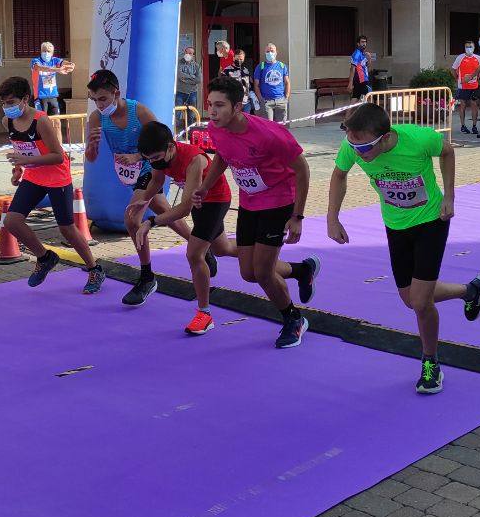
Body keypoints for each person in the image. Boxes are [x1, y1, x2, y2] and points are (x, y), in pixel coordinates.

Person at [326, 103, 480, 394]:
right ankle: (470, 290)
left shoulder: (418, 139)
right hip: (395, 225)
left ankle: (431, 363)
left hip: (430, 221)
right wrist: (332, 217)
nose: (358, 152)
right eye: (353, 145)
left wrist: (449, 196)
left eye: (364, 147)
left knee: (421, 303)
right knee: (410, 299)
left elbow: (448, 151)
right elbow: (339, 175)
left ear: (386, 137)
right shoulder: (353, 144)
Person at [194, 76, 321, 349]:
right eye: (209, 105)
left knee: (263, 273)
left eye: (219, 105)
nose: (212, 112)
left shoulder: (269, 133)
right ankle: (302, 270)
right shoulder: (216, 128)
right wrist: (205, 187)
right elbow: (223, 157)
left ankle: (294, 319)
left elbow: (302, 169)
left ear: (238, 107)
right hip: (249, 202)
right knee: (249, 273)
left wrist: (297, 217)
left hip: (279, 201)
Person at [84, 69, 196, 305]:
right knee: (163, 208)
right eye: (94, 100)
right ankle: (199, 245)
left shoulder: (139, 112)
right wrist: (92, 149)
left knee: (132, 218)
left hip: (150, 167)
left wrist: (138, 156)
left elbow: (165, 142)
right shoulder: (96, 118)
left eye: (103, 99)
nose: (99, 105)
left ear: (116, 93)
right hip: (128, 172)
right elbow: (91, 157)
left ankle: (146, 277)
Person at [132, 121, 238, 335]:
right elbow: (156, 182)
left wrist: (150, 222)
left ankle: (204, 313)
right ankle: (269, 255)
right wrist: (142, 200)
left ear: (171, 146)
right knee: (222, 249)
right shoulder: (160, 157)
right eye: (149, 159)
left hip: (215, 201)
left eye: (156, 158)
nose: (154, 162)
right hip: (200, 202)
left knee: (194, 254)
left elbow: (183, 209)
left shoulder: (194, 160)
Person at [0, 77, 102, 293]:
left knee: (67, 229)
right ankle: (45, 257)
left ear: (25, 99)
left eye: (11, 102)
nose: (7, 107)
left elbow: (58, 156)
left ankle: (94, 268)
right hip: (34, 177)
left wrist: (26, 161)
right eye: (4, 103)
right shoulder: (7, 122)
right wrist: (18, 169)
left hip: (57, 178)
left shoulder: (41, 121)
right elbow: (20, 149)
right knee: (12, 221)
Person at [30, 42, 74, 116]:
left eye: (48, 51)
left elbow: (63, 62)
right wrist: (57, 70)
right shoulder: (36, 61)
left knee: (57, 120)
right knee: (42, 120)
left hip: (53, 96)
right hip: (40, 96)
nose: (46, 53)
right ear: (41, 51)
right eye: (44, 51)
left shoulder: (54, 60)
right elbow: (39, 68)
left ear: (52, 53)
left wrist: (71, 65)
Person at [254, 43, 290, 123]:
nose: (270, 53)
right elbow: (256, 85)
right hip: (266, 101)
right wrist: (260, 98)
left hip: (280, 100)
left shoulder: (282, 66)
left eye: (272, 51)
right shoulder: (260, 66)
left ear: (276, 52)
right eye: (267, 51)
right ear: (265, 52)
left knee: (280, 127)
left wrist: (286, 97)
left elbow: (287, 82)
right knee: (268, 126)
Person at [451, 41, 480, 134]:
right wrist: (457, 79)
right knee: (463, 105)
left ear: (474, 47)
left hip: (474, 86)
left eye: (470, 46)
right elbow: (453, 69)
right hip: (463, 86)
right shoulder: (460, 57)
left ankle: (474, 126)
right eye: (467, 47)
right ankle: (463, 125)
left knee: (474, 105)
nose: (469, 48)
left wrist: (478, 78)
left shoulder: (478, 58)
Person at [175, 46, 201, 130]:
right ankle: (174, 133)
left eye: (190, 53)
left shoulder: (196, 66)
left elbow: (198, 79)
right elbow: (179, 75)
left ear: (193, 55)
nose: (188, 54)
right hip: (180, 92)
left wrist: (185, 80)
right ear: (184, 53)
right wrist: (192, 77)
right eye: (187, 52)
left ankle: (189, 133)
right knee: (177, 113)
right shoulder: (179, 63)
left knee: (191, 115)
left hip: (192, 93)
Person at [224, 49, 258, 114]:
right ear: (233, 58)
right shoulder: (226, 70)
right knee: (235, 121)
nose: (239, 61)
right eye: (237, 59)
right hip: (234, 102)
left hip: (246, 102)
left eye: (241, 59)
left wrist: (252, 96)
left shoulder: (246, 70)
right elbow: (223, 87)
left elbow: (249, 85)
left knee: (245, 121)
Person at [349, 36, 373, 103]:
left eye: (365, 42)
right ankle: (361, 112)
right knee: (369, 97)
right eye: (362, 42)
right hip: (360, 80)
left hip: (364, 79)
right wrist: (350, 83)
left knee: (355, 98)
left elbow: (369, 69)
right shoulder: (357, 54)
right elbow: (352, 68)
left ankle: (350, 113)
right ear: (358, 44)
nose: (364, 44)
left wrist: (369, 59)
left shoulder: (364, 54)